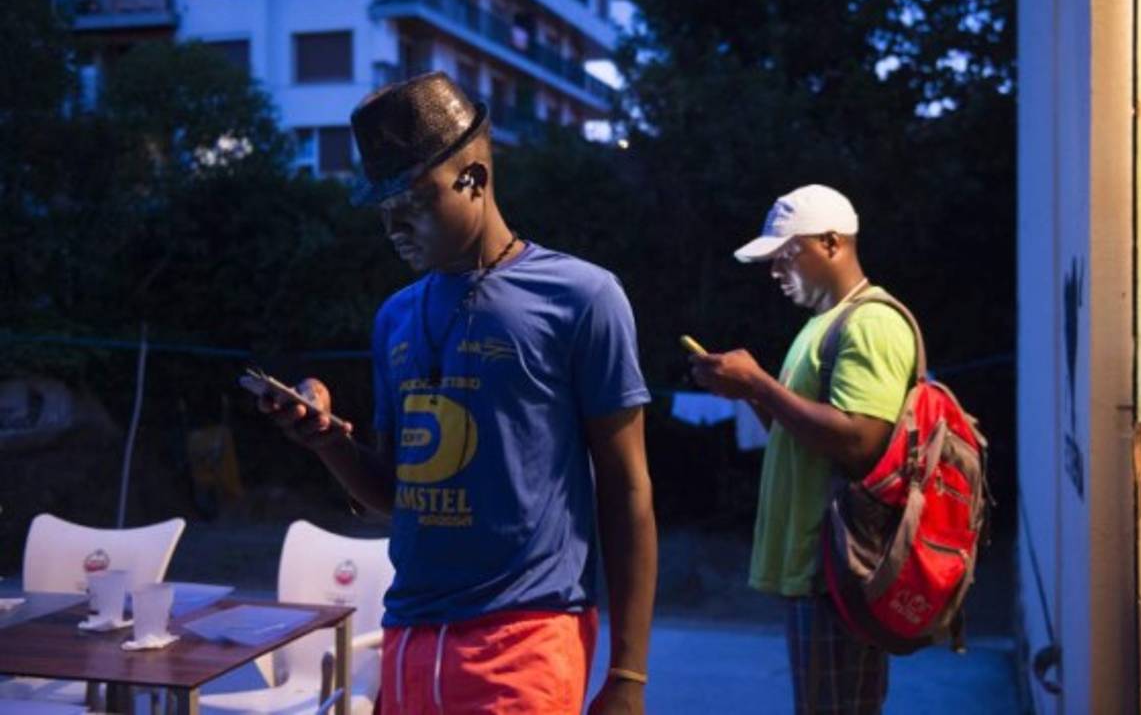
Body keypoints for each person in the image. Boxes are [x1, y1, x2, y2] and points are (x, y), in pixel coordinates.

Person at [259, 72, 656, 714]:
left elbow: (628, 490)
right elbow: (395, 492)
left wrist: (629, 676)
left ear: (473, 176)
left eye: (412, 203)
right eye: (384, 210)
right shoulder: (394, 316)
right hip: (409, 638)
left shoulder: (582, 298)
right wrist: (328, 440)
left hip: (525, 640)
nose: (395, 227)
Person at [689, 184, 916, 715]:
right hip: (817, 568)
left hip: (839, 572)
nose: (774, 273)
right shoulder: (823, 326)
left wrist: (761, 385)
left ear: (833, 242)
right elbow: (805, 440)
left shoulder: (872, 322)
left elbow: (860, 443)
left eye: (785, 256)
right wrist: (748, 392)